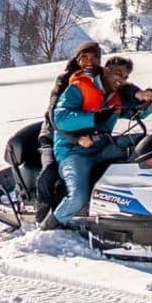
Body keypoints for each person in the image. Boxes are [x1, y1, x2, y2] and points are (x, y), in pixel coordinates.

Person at [48, 56, 152, 230]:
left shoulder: (115, 96)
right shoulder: (79, 87)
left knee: (144, 143)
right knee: (78, 196)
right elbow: (60, 118)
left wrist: (148, 104)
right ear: (106, 70)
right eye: (118, 74)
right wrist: (94, 118)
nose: (121, 80)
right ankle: (51, 225)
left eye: (125, 77)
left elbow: (134, 114)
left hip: (103, 147)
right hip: (73, 152)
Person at [35, 41, 104, 211]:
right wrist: (74, 137)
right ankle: (42, 209)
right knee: (51, 169)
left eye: (94, 57)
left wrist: (140, 96)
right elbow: (54, 115)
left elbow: (121, 86)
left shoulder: (100, 78)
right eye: (85, 57)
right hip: (54, 135)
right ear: (77, 59)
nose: (89, 61)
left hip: (86, 134)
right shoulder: (66, 79)